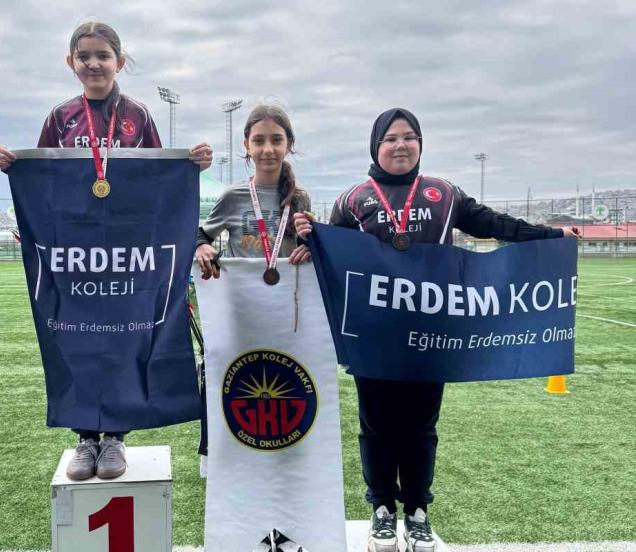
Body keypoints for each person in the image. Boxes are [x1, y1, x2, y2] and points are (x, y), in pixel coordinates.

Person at [294, 108, 578, 552]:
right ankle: (382, 508)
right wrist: (308, 235)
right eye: (391, 138)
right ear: (375, 146)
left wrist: (551, 236)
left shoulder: (444, 193)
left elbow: (493, 225)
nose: (400, 145)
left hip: (432, 333)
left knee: (421, 426)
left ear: (421, 143)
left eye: (409, 137)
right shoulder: (353, 200)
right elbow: (332, 256)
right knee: (375, 425)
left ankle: (417, 511)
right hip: (375, 336)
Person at [0, 21, 213, 482]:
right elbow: (46, 182)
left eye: (103, 55)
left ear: (119, 62)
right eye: (84, 56)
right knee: (78, 339)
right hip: (77, 256)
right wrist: (15, 167)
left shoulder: (138, 115)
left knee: (127, 338)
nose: (93, 63)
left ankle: (115, 438)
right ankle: (86, 437)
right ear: (70, 62)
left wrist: (191, 164)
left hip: (128, 254)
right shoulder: (60, 117)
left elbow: (156, 179)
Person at [195, 104, 310, 281]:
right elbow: (200, 234)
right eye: (258, 141)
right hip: (241, 296)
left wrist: (310, 246)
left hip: (286, 296)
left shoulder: (300, 198)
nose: (268, 149)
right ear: (247, 146)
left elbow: (306, 249)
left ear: (288, 144)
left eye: (276, 140)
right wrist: (201, 247)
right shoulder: (233, 196)